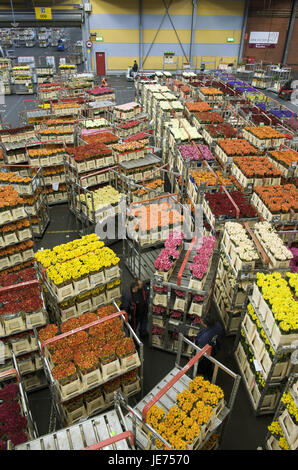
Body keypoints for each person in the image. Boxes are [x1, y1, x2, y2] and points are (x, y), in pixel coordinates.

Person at [194, 311, 223, 381]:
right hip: (214, 348)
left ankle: (202, 377)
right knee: (209, 363)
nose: (201, 322)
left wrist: (194, 355)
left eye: (202, 321)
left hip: (206, 351)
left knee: (203, 364)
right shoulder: (218, 325)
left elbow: (199, 345)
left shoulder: (204, 338)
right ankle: (210, 375)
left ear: (206, 325)